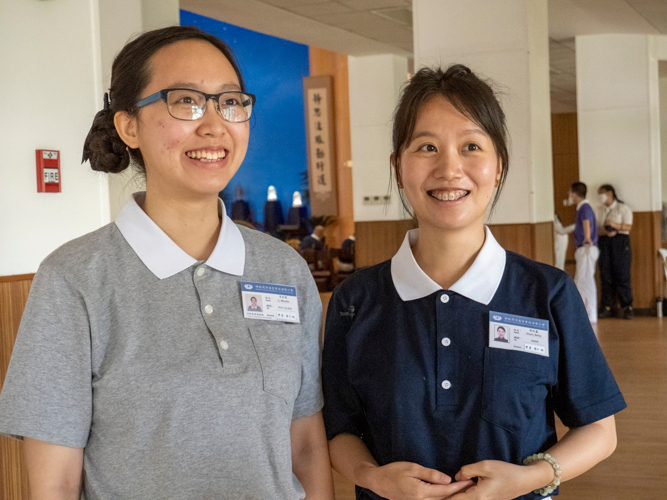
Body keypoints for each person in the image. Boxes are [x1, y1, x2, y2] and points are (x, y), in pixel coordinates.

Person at [0, 26, 333, 500]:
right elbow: (55, 484)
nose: (215, 124)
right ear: (128, 125)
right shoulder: (74, 280)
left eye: (231, 102)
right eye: (186, 101)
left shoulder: (284, 271)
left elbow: (305, 447)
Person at [322, 65, 625, 500]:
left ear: (498, 166)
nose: (450, 168)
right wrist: (372, 476)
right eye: (427, 147)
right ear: (399, 167)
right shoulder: (356, 300)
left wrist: (529, 478)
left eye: (471, 146)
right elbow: (339, 428)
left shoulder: (549, 293)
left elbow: (599, 430)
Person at [596, 184, 634, 319]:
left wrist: (614, 226)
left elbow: (628, 226)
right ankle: (606, 307)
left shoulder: (622, 208)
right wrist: (605, 230)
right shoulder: (599, 210)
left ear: (610, 193)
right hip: (604, 242)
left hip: (620, 242)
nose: (600, 196)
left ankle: (627, 307)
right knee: (606, 276)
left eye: (602, 193)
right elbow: (596, 229)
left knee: (622, 275)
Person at [568, 182, 599, 324]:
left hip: (586, 248)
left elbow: (586, 222)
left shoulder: (584, 207)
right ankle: (588, 313)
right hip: (585, 248)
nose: (570, 196)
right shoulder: (582, 207)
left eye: (571, 193)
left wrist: (587, 238)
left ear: (575, 193)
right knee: (584, 280)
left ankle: (589, 314)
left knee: (583, 281)